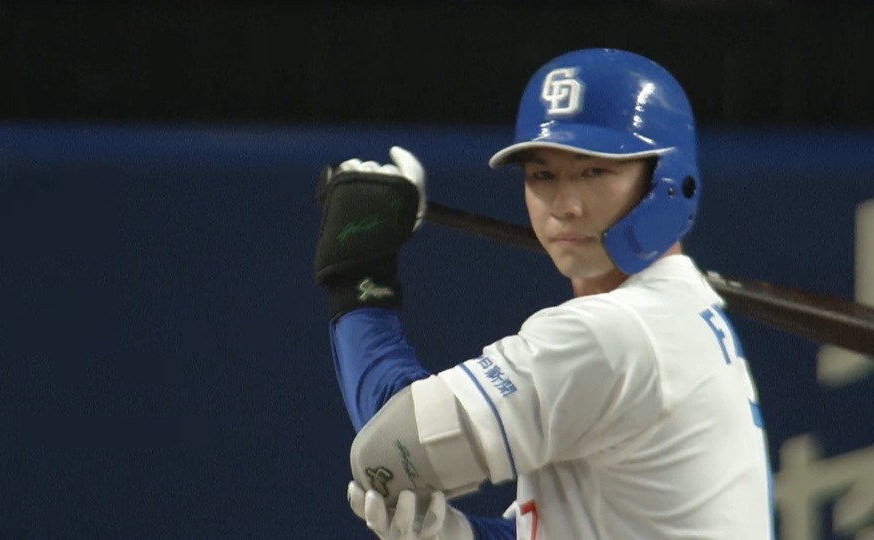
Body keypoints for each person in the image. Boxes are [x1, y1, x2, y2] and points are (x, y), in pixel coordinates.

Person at [314, 48, 775, 539]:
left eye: (593, 171)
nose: (564, 206)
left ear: (666, 180)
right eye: (542, 175)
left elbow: (390, 452)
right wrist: (456, 534)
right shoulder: (680, 312)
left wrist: (359, 273)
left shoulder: (613, 332)